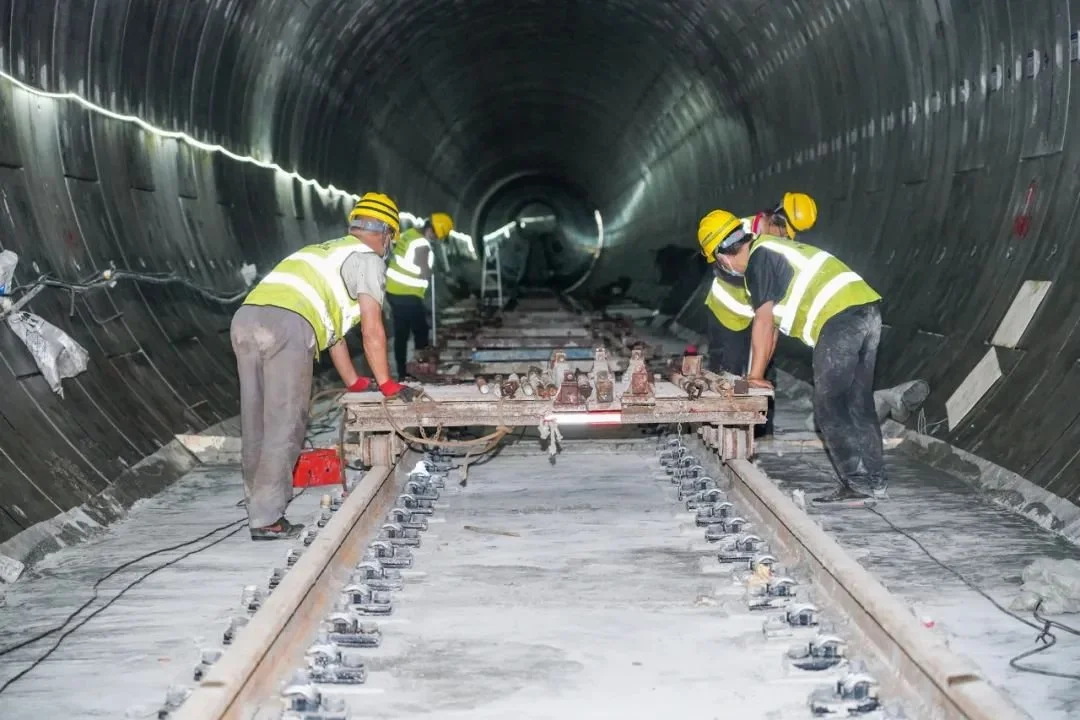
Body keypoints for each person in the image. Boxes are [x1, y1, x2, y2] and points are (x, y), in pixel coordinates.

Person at [231, 192, 421, 540]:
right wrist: (387, 384)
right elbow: (371, 325)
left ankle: (256, 502)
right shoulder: (368, 259)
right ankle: (266, 518)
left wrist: (354, 381)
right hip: (287, 326)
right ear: (386, 234)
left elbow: (332, 332)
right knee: (285, 422)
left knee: (255, 417)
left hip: (245, 319)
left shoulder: (325, 252)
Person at [704, 202, 886, 505]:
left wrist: (755, 376)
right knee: (857, 401)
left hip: (840, 319)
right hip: (867, 310)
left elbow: (763, 320)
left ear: (722, 257)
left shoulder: (759, 260)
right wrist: (758, 372)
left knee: (828, 404)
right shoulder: (773, 248)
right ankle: (876, 481)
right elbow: (772, 327)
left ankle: (858, 485)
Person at [697, 193, 818, 438]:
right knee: (728, 371)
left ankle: (761, 432)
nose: (786, 238)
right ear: (775, 216)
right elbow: (724, 267)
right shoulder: (735, 232)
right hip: (728, 313)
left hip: (762, 315)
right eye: (784, 231)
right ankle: (723, 430)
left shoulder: (779, 245)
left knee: (763, 372)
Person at [385, 213, 454, 378]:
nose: (435, 239)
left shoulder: (409, 234)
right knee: (421, 331)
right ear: (431, 230)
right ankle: (421, 368)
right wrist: (433, 271)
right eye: (436, 235)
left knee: (401, 333)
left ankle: (403, 372)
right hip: (407, 293)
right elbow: (424, 272)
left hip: (393, 290)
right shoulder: (422, 244)